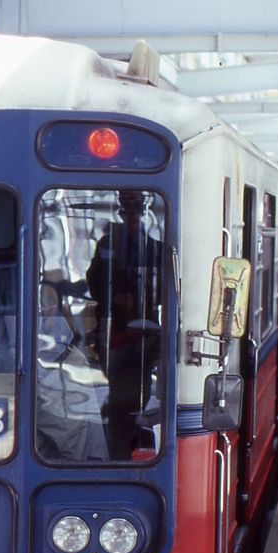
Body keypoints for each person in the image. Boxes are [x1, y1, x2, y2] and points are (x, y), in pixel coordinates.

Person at [85, 190, 164, 459]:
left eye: (134, 213)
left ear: (141, 214)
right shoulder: (106, 244)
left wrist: (143, 302)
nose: (129, 217)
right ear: (120, 214)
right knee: (116, 382)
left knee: (141, 382)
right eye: (125, 213)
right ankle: (118, 436)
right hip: (114, 328)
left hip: (146, 332)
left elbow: (164, 290)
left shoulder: (155, 249)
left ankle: (135, 434)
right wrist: (113, 299)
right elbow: (94, 281)